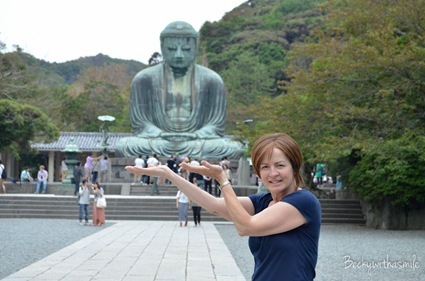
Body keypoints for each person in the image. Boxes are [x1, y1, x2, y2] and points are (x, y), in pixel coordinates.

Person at [125, 133, 321, 280]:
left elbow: (246, 226)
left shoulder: (303, 201)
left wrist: (222, 179)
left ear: (294, 167)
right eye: (265, 167)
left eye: (280, 165)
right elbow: (215, 206)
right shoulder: (263, 202)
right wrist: (170, 175)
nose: (273, 173)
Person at [115, 21, 242, 159]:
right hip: (160, 140)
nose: (179, 55)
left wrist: (196, 135)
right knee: (125, 146)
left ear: (196, 48)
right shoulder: (144, 79)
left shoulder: (212, 80)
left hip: (197, 140)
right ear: (162, 48)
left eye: (186, 49)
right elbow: (141, 124)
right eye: (171, 49)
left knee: (233, 148)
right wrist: (160, 134)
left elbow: (215, 125)